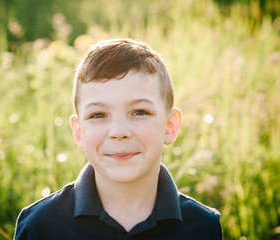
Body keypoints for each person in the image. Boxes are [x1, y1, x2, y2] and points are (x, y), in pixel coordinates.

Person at [14, 38, 222, 239]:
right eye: (98, 115)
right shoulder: (40, 225)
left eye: (139, 112)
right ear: (79, 132)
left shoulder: (202, 226)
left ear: (170, 126)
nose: (119, 131)